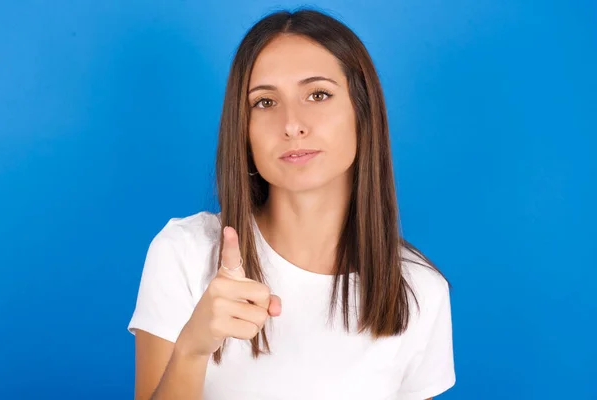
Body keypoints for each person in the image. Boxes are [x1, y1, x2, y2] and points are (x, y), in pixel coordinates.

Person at [128, 8, 456, 400]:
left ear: (363, 113)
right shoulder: (184, 252)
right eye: (265, 102)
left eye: (318, 95)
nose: (292, 124)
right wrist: (192, 349)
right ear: (243, 128)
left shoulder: (418, 290)